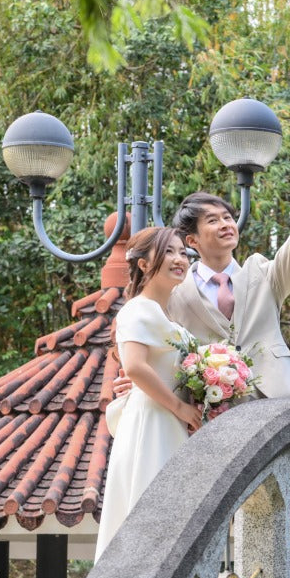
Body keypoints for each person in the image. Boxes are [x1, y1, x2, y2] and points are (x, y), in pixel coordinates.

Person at [108, 145, 290, 415]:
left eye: (228, 217)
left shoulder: (263, 274)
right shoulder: (175, 292)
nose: (226, 224)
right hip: (216, 413)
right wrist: (135, 384)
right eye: (213, 220)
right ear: (192, 240)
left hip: (281, 399)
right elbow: (158, 350)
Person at [94, 226, 201, 560]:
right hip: (153, 421)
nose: (179, 259)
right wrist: (181, 409)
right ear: (143, 264)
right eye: (168, 251)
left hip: (170, 422)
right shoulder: (137, 309)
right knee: (150, 513)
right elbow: (135, 367)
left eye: (183, 252)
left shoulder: (167, 316)